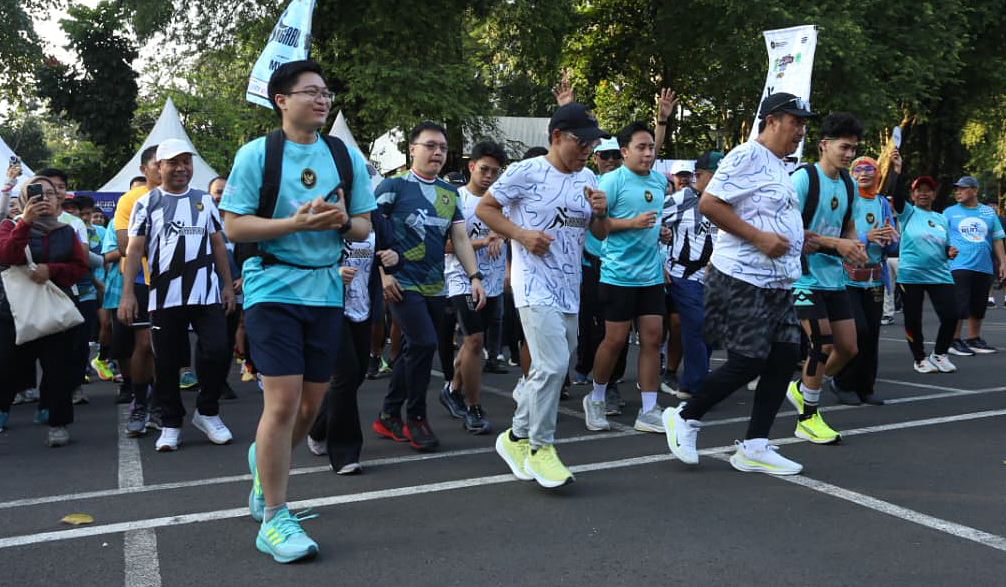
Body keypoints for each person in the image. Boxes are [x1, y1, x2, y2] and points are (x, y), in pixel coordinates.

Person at [221, 59, 375, 563]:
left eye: (326, 92)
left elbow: (363, 228)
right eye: (310, 91)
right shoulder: (256, 155)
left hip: (326, 291)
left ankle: (263, 468)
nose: (322, 99)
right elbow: (236, 229)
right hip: (272, 288)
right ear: (282, 101)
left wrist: (338, 220)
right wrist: (294, 225)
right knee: (282, 405)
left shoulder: (345, 157)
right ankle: (273, 518)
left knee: (310, 409)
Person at [663, 92, 814, 475]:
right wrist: (759, 238)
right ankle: (685, 415)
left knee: (782, 358)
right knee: (750, 359)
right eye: (795, 122)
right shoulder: (747, 155)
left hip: (777, 282)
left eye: (802, 123)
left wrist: (827, 243)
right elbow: (709, 204)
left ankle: (756, 446)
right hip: (742, 277)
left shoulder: (781, 166)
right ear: (772, 121)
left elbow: (777, 222)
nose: (800, 130)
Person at [478, 102, 609, 488]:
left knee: (550, 367)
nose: (587, 150)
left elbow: (598, 236)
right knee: (552, 366)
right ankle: (540, 448)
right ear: (556, 137)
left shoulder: (588, 178)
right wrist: (520, 234)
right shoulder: (527, 171)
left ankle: (515, 437)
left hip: (570, 287)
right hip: (533, 285)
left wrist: (600, 213)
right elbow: (486, 207)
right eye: (580, 142)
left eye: (592, 143)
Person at [373, 121, 485, 452]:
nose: (437, 152)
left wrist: (474, 277)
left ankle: (389, 413)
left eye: (442, 148)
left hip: (436, 284)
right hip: (401, 281)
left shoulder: (450, 194)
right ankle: (416, 417)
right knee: (423, 343)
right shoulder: (393, 187)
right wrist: (383, 275)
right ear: (412, 150)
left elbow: (460, 238)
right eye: (430, 146)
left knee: (415, 348)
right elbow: (372, 232)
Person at [118, 139, 236, 451]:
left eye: (187, 161)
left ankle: (207, 412)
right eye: (173, 162)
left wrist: (227, 284)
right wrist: (128, 293)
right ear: (159, 167)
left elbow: (218, 244)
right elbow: (134, 250)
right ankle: (171, 422)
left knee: (218, 350)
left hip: (206, 294)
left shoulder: (203, 200)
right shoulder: (146, 203)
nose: (181, 168)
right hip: (164, 297)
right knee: (167, 362)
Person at [785, 112, 868, 445]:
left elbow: (848, 226)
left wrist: (855, 246)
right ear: (824, 145)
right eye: (844, 148)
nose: (849, 155)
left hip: (833, 278)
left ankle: (804, 388)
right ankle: (808, 418)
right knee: (822, 344)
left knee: (848, 348)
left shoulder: (848, 184)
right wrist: (838, 244)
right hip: (802, 277)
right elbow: (790, 231)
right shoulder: (803, 178)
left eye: (853, 149)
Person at [581, 121, 667, 434]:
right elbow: (598, 230)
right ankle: (597, 397)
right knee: (615, 340)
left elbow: (653, 224)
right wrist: (631, 223)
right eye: (641, 148)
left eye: (651, 148)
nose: (647, 153)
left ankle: (648, 409)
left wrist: (662, 231)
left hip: (651, 275)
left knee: (653, 339)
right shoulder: (612, 181)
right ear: (624, 151)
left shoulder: (659, 181)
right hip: (618, 274)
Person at [307, 211, 398, 473]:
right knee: (345, 375)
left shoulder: (377, 219)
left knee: (355, 375)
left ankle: (318, 427)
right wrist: (332, 271)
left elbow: (391, 250)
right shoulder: (327, 215)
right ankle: (345, 453)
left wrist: (393, 257)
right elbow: (305, 256)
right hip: (329, 306)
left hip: (363, 306)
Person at [0, 177, 88, 444]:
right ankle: (3, 412)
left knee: (58, 368)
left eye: (51, 194)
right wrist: (25, 222)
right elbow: (6, 256)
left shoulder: (66, 230)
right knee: (5, 366)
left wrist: (52, 271)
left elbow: (79, 266)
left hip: (54, 308)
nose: (45, 199)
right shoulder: (9, 226)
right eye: (38, 194)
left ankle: (57, 423)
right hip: (13, 310)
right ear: (25, 198)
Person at [440, 140, 507, 434]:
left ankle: (452, 388)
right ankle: (473, 406)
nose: (489, 176)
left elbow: (509, 234)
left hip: (492, 281)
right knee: (475, 342)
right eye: (484, 169)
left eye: (495, 171)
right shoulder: (455, 199)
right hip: (461, 279)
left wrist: (502, 244)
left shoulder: (500, 201)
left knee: (472, 344)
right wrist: (483, 241)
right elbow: (444, 245)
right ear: (471, 166)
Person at [831, 154, 901, 405]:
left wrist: (891, 239)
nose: (863, 174)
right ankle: (842, 382)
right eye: (857, 170)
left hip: (874, 278)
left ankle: (865, 386)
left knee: (872, 334)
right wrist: (867, 236)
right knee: (856, 331)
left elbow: (893, 247)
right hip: (846, 278)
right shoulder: (845, 201)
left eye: (868, 170)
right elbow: (836, 236)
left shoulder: (882, 203)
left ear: (877, 175)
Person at [662, 150, 721, 400]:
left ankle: (694, 381)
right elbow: (652, 225)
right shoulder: (681, 199)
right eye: (716, 173)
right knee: (696, 325)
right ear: (699, 175)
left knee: (710, 328)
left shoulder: (726, 201)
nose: (722, 178)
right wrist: (659, 264)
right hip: (683, 275)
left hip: (715, 278)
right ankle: (695, 386)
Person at [113, 145, 160, 437]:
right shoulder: (131, 199)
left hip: (179, 284)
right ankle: (141, 402)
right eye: (159, 163)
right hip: (144, 282)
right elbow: (123, 246)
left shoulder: (190, 198)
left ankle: (164, 402)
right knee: (144, 345)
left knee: (169, 347)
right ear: (144, 170)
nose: (166, 167)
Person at [894, 176, 959, 373]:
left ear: (934, 194)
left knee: (952, 315)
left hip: (939, 274)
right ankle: (920, 358)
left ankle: (939, 354)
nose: (923, 193)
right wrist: (897, 173)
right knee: (913, 318)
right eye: (919, 190)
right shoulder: (908, 213)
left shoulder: (941, 219)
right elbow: (896, 197)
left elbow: (945, 245)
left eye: (928, 190)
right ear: (912, 195)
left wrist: (949, 251)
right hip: (911, 275)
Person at [944, 176, 1006, 355]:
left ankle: (973, 338)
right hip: (959, 265)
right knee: (959, 304)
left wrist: (1003, 262)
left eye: (962, 188)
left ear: (975, 191)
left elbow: (997, 238)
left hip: (984, 265)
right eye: (957, 189)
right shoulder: (949, 212)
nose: (958, 192)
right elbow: (941, 236)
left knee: (978, 305)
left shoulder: (988, 212)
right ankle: (954, 340)